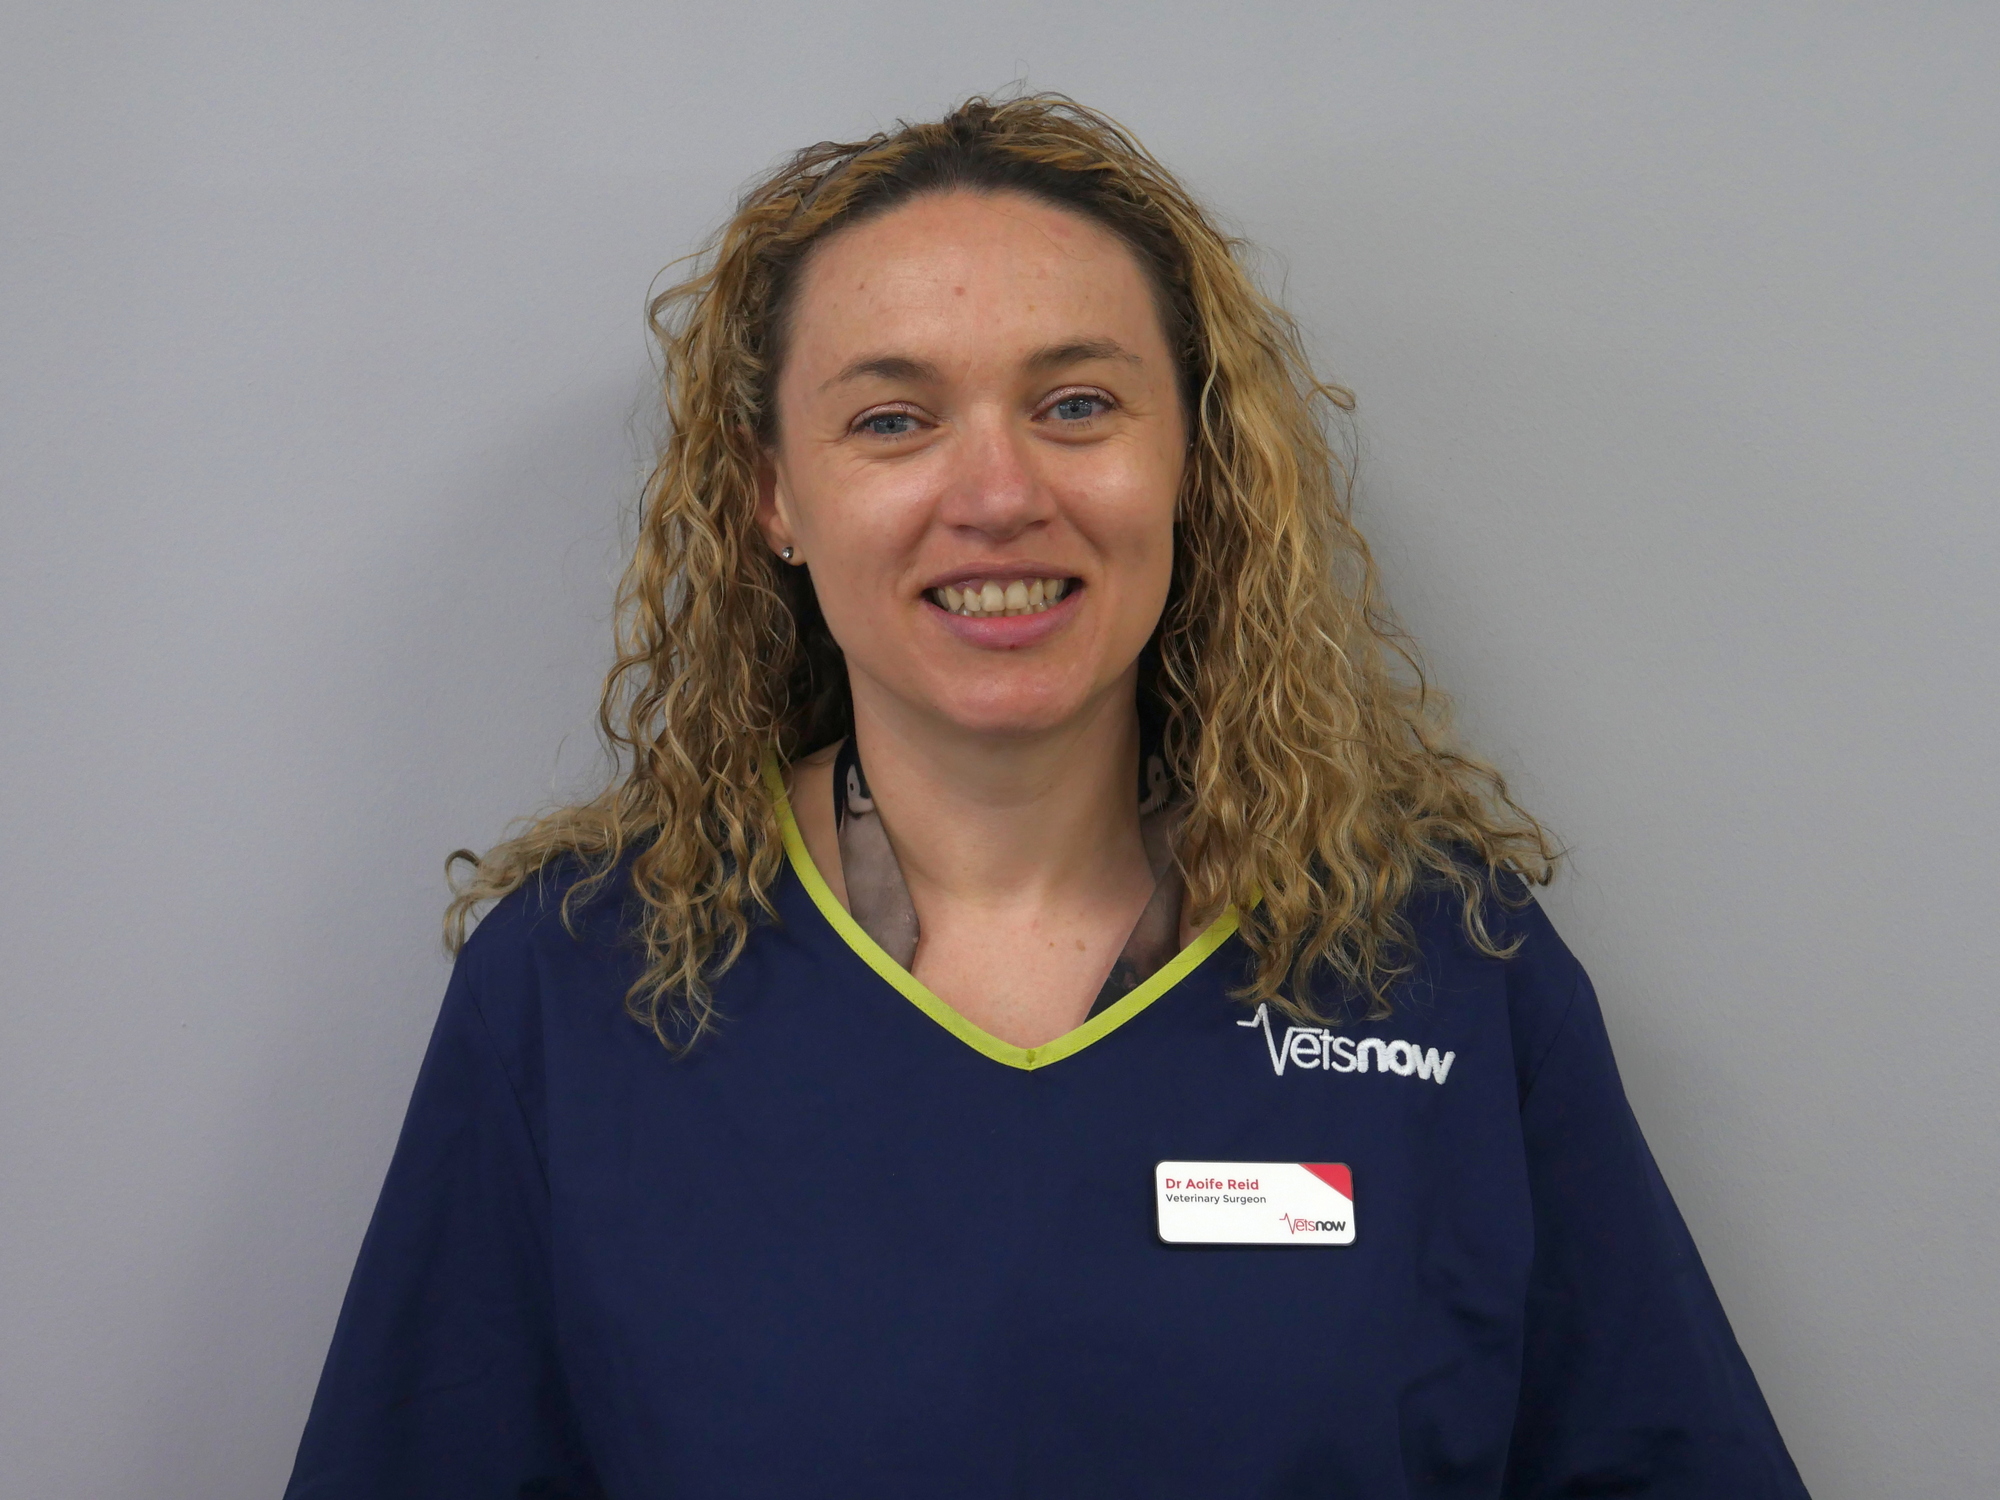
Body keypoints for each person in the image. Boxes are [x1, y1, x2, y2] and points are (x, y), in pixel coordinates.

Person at [285, 94, 1810, 1499]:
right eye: (893, 419)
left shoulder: (1447, 972)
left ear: (1196, 465)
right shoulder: (574, 989)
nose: (999, 491)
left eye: (1077, 404)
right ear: (773, 497)